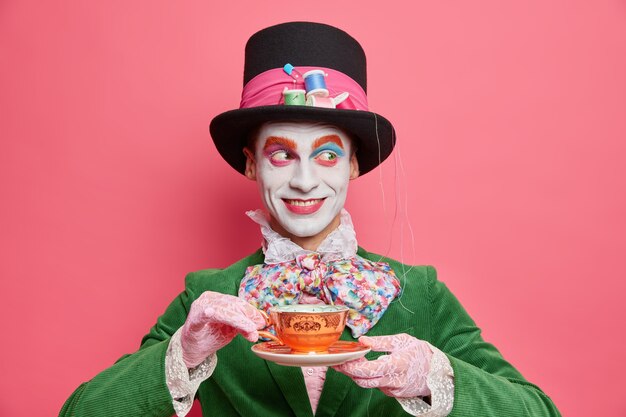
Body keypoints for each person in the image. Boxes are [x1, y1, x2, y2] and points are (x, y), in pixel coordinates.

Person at [60, 22, 561, 417]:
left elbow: (540, 412)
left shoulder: (420, 292)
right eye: (281, 155)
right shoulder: (209, 300)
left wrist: (432, 376)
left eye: (326, 154)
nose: (303, 181)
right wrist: (182, 354)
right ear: (252, 163)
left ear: (353, 165)